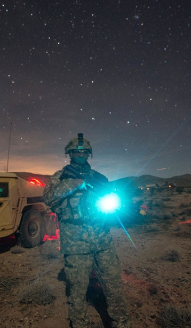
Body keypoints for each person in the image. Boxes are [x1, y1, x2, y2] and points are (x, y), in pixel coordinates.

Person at [43, 133, 131, 328]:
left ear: (89, 154)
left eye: (84, 152)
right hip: (75, 244)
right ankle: (80, 323)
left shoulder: (98, 178)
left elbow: (112, 201)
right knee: (77, 290)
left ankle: (121, 321)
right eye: (76, 152)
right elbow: (48, 198)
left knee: (114, 284)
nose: (80, 155)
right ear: (70, 153)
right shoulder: (60, 177)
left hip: (102, 240)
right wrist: (71, 184)